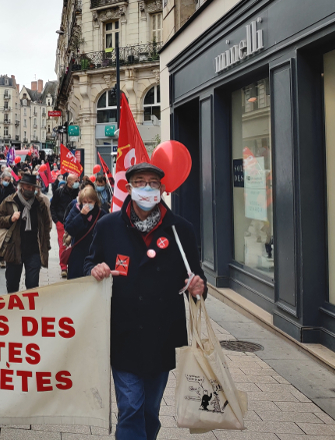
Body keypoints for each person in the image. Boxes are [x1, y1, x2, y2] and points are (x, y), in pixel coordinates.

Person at [85, 163, 206, 440]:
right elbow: (89, 263)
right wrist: (95, 270)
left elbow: (195, 277)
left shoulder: (180, 229)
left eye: (153, 182)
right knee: (130, 406)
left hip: (162, 334)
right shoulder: (108, 226)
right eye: (140, 182)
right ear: (128, 188)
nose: (147, 188)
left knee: (150, 409)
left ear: (162, 189)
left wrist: (198, 288)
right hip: (122, 331)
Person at [0, 173, 52, 293]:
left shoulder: (40, 204)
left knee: (32, 285)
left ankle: (29, 310)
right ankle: (14, 310)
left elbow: (46, 224)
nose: (30, 190)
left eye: (32, 188)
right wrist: (10, 219)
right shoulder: (10, 201)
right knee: (12, 285)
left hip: (34, 250)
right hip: (14, 250)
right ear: (21, 186)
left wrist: (45, 243)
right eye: (27, 187)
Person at [64, 185, 106, 279]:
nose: (87, 204)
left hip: (95, 254)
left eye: (90, 202)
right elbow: (69, 228)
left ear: (95, 201)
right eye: (84, 202)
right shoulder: (76, 210)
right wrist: (81, 215)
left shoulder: (101, 214)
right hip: (78, 254)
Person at [50, 173, 81, 278]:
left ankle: (73, 264)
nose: (78, 182)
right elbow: (52, 206)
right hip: (62, 222)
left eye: (78, 180)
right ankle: (63, 267)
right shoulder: (59, 192)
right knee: (63, 244)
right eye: (76, 181)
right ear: (69, 182)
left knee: (74, 244)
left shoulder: (80, 192)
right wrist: (57, 221)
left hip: (76, 221)